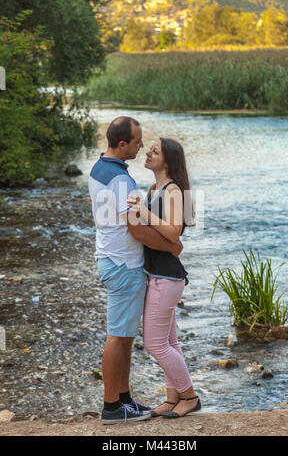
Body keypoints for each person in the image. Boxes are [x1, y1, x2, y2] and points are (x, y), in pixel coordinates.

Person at [88, 117, 183, 425]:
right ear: (122, 144)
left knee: (125, 336)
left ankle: (124, 399)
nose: (142, 146)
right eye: (138, 141)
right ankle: (113, 407)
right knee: (118, 337)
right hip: (123, 265)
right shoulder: (121, 181)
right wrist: (171, 248)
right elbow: (137, 230)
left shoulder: (99, 168)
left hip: (110, 259)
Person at [127, 138, 201, 418]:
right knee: (169, 343)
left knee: (155, 344)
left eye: (155, 151)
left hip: (167, 278)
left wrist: (143, 211)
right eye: (150, 149)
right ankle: (172, 399)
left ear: (168, 161)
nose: (148, 152)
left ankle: (190, 396)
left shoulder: (173, 190)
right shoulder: (154, 189)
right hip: (157, 275)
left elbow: (172, 233)